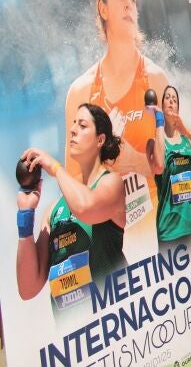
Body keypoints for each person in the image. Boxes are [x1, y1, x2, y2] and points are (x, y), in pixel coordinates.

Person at [65, 0, 169, 253]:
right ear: (103, 8)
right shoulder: (81, 91)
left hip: (157, 232)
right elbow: (73, 180)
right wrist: (105, 170)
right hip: (107, 239)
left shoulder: (156, 80)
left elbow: (178, 164)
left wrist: (135, 161)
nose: (128, 4)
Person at [16, 103, 126, 312]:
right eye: (73, 124)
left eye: (82, 125)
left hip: (114, 321)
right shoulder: (54, 210)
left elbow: (85, 208)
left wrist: (56, 168)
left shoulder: (112, 183)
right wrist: (25, 215)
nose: (73, 129)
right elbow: (28, 289)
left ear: (100, 140)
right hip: (75, 328)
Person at [149, 86, 191, 248]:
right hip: (170, 231)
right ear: (161, 106)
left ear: (178, 107)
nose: (171, 101)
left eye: (175, 99)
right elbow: (158, 167)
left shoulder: (186, 142)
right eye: (167, 98)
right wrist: (159, 122)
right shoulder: (153, 143)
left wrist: (187, 132)